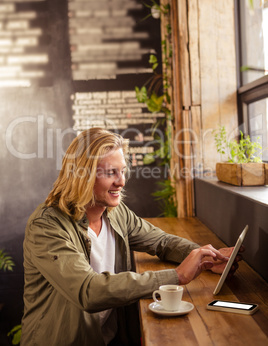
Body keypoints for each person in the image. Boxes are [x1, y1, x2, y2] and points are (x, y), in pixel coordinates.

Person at [21, 128, 242, 346]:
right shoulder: (46, 226)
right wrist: (177, 276)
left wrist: (205, 258)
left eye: (123, 171)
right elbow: (88, 291)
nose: (122, 181)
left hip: (108, 337)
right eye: (111, 173)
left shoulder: (116, 213)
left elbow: (161, 241)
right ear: (83, 177)